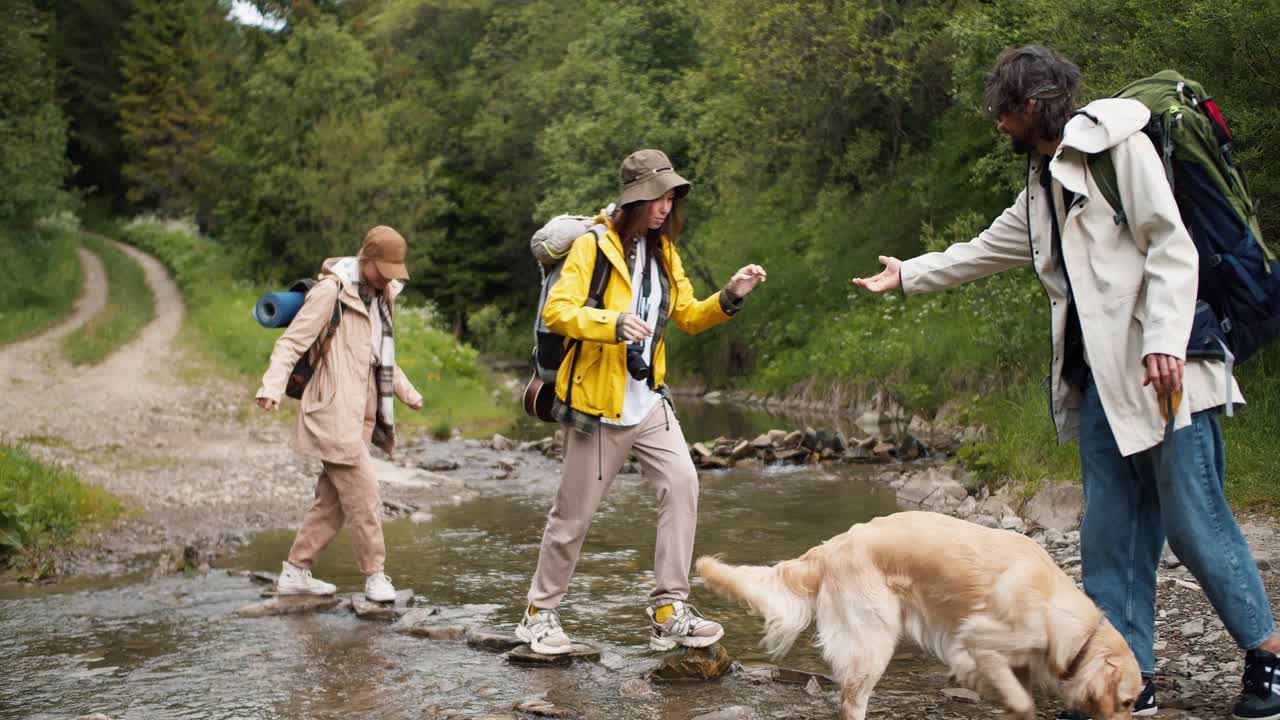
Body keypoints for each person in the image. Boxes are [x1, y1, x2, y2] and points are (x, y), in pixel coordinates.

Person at [852, 45, 1280, 720]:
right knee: (1109, 538)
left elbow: (1173, 246)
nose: (998, 125)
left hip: (1168, 371)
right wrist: (909, 272)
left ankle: (1268, 657)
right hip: (1101, 389)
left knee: (1197, 522)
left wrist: (1166, 342)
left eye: (1002, 112)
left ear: (1029, 107)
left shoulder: (1119, 147)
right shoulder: (1043, 181)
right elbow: (989, 247)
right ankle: (1124, 679)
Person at [516, 148, 767, 654]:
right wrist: (610, 324)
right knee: (573, 517)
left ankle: (668, 609)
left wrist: (731, 295)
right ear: (636, 197)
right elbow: (562, 311)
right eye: (659, 197)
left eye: (672, 198)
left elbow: (691, 316)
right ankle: (538, 615)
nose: (666, 207)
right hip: (597, 403)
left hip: (648, 399)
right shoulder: (592, 246)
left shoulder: (664, 252)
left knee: (683, 483)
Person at [255, 225, 424, 603]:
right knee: (365, 497)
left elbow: (381, 356)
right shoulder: (330, 292)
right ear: (366, 260)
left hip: (362, 414)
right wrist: (270, 386)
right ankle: (375, 576)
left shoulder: (380, 297)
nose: (388, 279)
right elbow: (291, 343)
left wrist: (408, 393)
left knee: (331, 503)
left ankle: (296, 571)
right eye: (384, 270)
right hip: (331, 413)